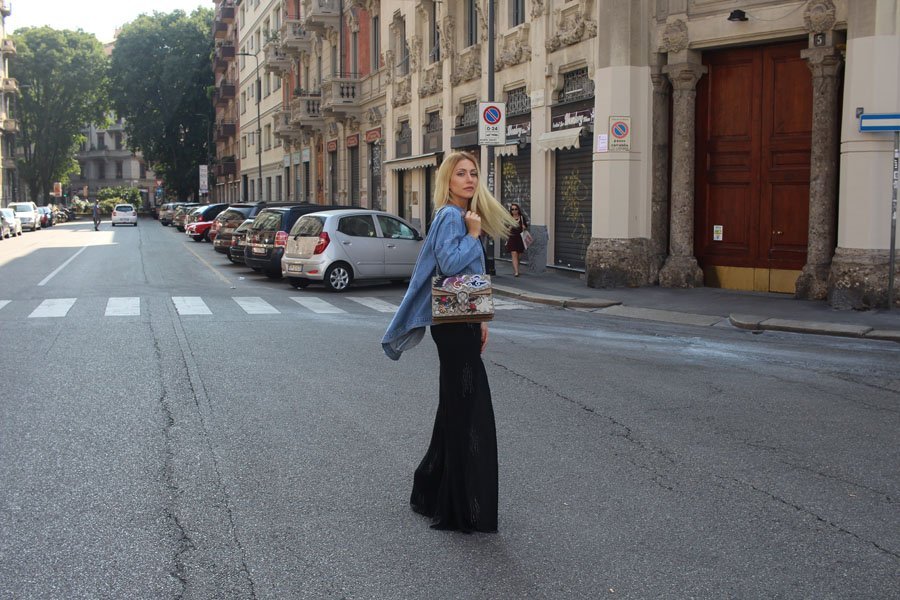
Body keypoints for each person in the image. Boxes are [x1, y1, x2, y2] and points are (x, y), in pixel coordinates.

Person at [382, 151, 516, 533]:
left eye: (474, 173)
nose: (469, 179)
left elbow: (469, 276)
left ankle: (430, 489)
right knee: (469, 412)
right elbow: (451, 262)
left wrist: (481, 320)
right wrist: (474, 236)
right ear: (448, 180)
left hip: (462, 322)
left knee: (454, 410)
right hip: (453, 327)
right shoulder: (450, 215)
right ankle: (460, 505)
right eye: (461, 173)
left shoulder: (461, 214)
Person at [504, 203, 529, 277]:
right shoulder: (509, 218)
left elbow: (525, 226)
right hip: (512, 238)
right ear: (510, 210)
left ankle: (517, 267)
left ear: (518, 210)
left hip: (520, 238)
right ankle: (516, 272)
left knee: (519, 256)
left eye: (516, 209)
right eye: (512, 209)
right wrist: (510, 227)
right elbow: (506, 229)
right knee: (514, 254)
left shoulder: (521, 217)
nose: (514, 211)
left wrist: (524, 227)